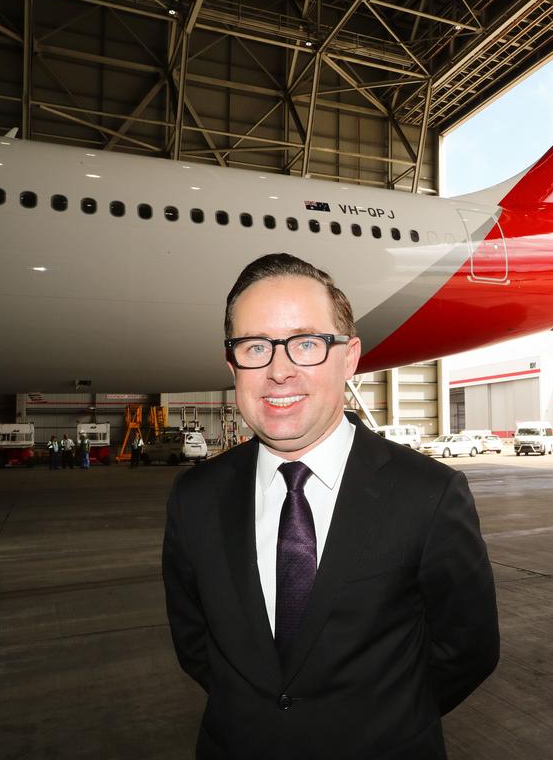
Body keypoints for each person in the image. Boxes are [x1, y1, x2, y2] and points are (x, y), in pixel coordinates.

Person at [162, 253, 499, 759]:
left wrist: (380, 721)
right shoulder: (195, 499)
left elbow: (467, 651)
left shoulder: (428, 494)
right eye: (255, 347)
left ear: (349, 356)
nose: (279, 371)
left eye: (305, 344)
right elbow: (196, 648)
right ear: (232, 365)